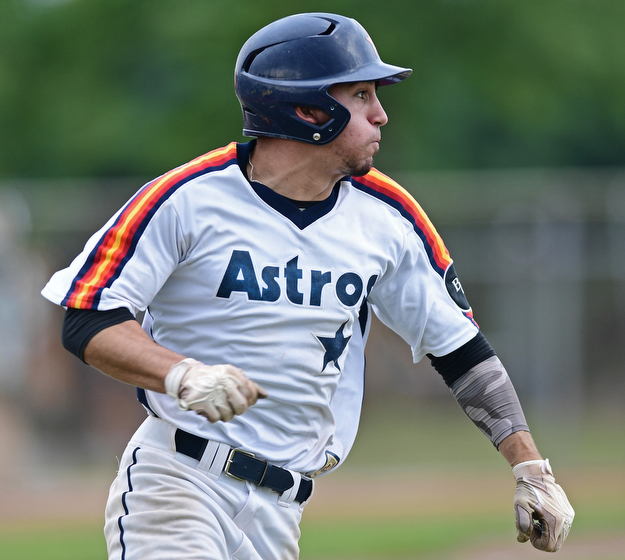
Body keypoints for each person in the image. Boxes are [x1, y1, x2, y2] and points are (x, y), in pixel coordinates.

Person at [41, 12, 574, 559]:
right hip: (179, 483)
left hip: (283, 509)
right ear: (309, 110)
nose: (381, 114)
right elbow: (88, 317)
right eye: (363, 95)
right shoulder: (186, 198)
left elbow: (462, 352)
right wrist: (181, 375)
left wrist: (530, 467)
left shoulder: (387, 217)